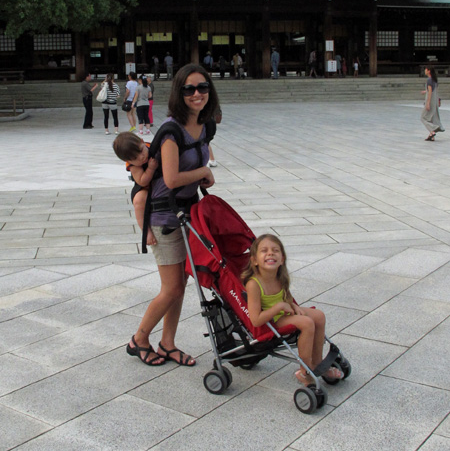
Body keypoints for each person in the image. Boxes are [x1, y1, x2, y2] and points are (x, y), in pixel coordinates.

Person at [124, 63, 219, 367]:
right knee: (173, 287)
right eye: (189, 89)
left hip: (187, 213)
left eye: (202, 87)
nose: (196, 94)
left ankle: (167, 343)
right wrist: (204, 171)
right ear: (179, 92)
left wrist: (202, 177)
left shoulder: (206, 126)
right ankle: (139, 339)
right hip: (165, 218)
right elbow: (172, 178)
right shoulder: (170, 131)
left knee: (180, 284)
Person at [242, 233, 343, 385]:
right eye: (264, 251)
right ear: (254, 260)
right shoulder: (254, 284)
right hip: (272, 320)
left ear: (282, 259)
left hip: (283, 312)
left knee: (319, 316)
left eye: (275, 250)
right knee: (307, 323)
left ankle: (317, 362)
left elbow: (286, 298)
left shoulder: (280, 277)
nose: (270, 253)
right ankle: (305, 370)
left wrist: (292, 305)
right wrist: (280, 307)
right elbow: (256, 320)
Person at [113, 132, 158, 246]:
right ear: (127, 161)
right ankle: (145, 231)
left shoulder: (152, 146)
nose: (141, 157)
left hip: (158, 183)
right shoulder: (134, 166)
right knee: (139, 201)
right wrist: (151, 169)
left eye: (141, 150)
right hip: (143, 186)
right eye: (135, 158)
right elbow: (142, 180)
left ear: (143, 142)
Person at [421, 66, 445, 141]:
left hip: (430, 101)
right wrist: (426, 92)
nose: (425, 71)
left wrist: (427, 103)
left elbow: (430, 92)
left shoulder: (429, 80)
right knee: (431, 118)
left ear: (428, 71)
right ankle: (432, 135)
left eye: (426, 69)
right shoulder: (434, 80)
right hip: (434, 101)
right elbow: (434, 90)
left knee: (423, 117)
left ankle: (433, 129)